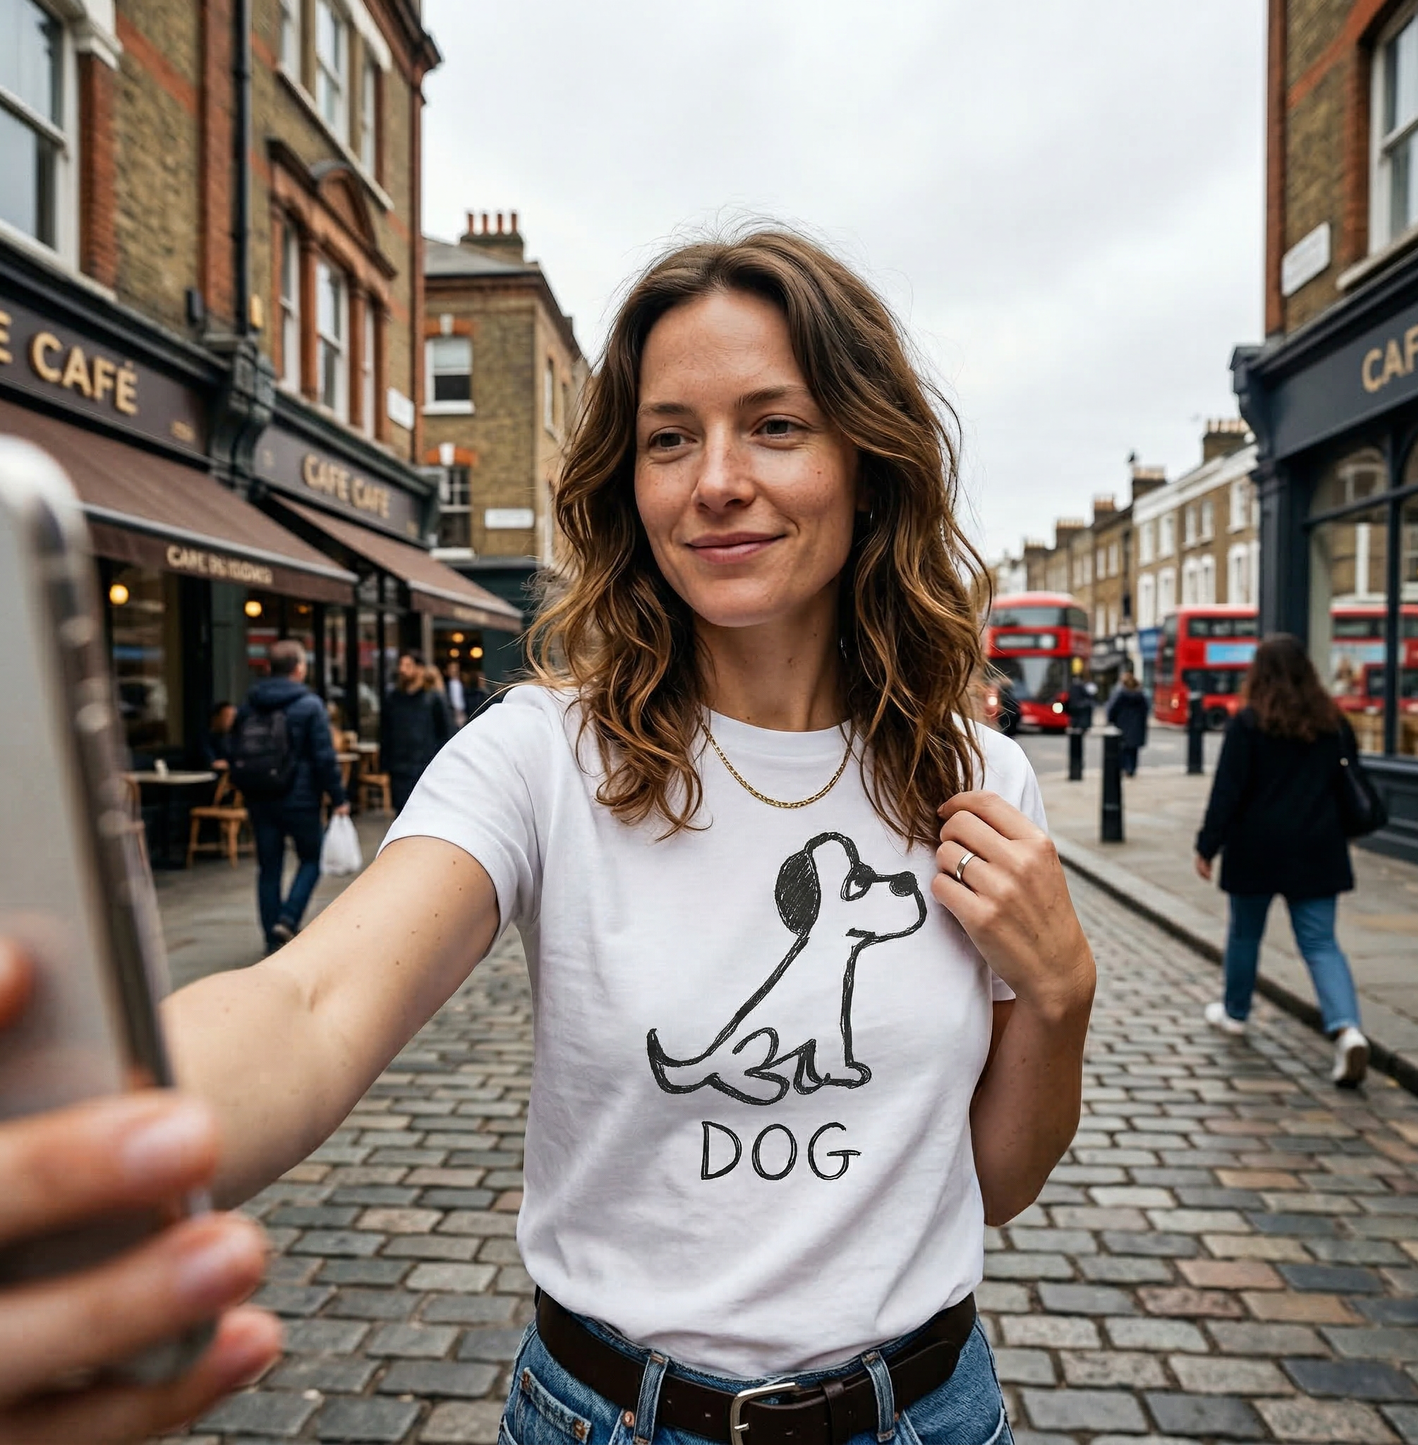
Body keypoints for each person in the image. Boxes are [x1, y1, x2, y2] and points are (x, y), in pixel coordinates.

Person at [0, 229, 1095, 1442]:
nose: (714, 479)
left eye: (774, 425)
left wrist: (1059, 995)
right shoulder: (544, 755)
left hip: (927, 1413)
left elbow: (991, 1184)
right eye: (669, 436)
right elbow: (309, 1002)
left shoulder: (972, 774)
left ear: (865, 457)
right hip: (612, 1417)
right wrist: (77, 1130)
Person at [1194, 633, 1370, 1087]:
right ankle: (1348, 1030)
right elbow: (1348, 783)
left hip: (1257, 847)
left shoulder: (1250, 722)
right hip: (1318, 848)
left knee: (1246, 935)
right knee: (1320, 943)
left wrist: (1207, 845)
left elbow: (1227, 791)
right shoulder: (1332, 722)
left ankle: (1235, 1014)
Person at [233, 640, 350, 951]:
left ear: (269, 668)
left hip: (260, 797)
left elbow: (233, 749)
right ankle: (288, 918)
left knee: (268, 866)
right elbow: (324, 757)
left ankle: (272, 937)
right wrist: (338, 797)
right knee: (311, 858)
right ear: (299, 668)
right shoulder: (310, 705)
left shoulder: (249, 704)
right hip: (301, 799)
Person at [379, 651, 454, 812]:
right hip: (399, 770)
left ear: (420, 669)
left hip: (425, 768)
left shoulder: (433, 698)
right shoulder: (393, 698)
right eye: (401, 665)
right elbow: (385, 734)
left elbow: (446, 733)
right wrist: (385, 767)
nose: (402, 670)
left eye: (408, 665)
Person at [1105, 672, 1149, 776]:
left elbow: (1112, 708)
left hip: (1122, 724)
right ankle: (1132, 768)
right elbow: (1146, 710)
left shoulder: (1120, 695)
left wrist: (1110, 720)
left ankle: (1125, 767)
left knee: (1123, 748)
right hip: (1137, 726)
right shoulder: (1140, 695)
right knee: (1134, 749)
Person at [201, 700, 236, 770]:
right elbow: (213, 764)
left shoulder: (231, 738)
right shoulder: (204, 739)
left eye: (233, 717)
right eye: (227, 717)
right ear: (215, 718)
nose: (231, 721)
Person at [444, 659, 468, 727]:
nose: (454, 670)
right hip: (451, 714)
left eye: (455, 668)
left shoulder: (464, 683)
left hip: (463, 713)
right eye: (451, 668)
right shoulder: (445, 685)